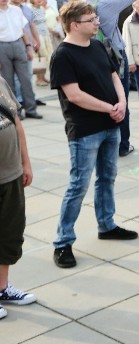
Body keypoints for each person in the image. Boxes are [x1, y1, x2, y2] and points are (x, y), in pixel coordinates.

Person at [50, 1, 138, 269]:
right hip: (85, 130)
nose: (97, 22)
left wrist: (122, 103)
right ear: (75, 25)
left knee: (107, 178)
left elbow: (115, 77)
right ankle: (63, 242)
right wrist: (109, 108)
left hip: (111, 125)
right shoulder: (63, 55)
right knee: (79, 184)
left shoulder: (98, 45)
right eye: (91, 20)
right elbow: (74, 95)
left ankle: (107, 224)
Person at [83, 0, 139, 157]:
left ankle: (105, 144)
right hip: (115, 57)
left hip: (92, 56)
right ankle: (122, 145)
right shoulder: (106, 3)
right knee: (121, 99)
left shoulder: (82, 4)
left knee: (101, 99)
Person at [0, 74, 37, 318]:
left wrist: (26, 163)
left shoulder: (1, 81)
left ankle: (2, 288)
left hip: (11, 174)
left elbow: (16, 122)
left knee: (9, 235)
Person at [0, 0, 41, 119]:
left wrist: (28, 46)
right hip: (2, 47)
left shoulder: (16, 10)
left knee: (26, 79)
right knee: (8, 82)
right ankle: (15, 112)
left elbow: (23, 30)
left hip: (19, 45)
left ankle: (31, 109)